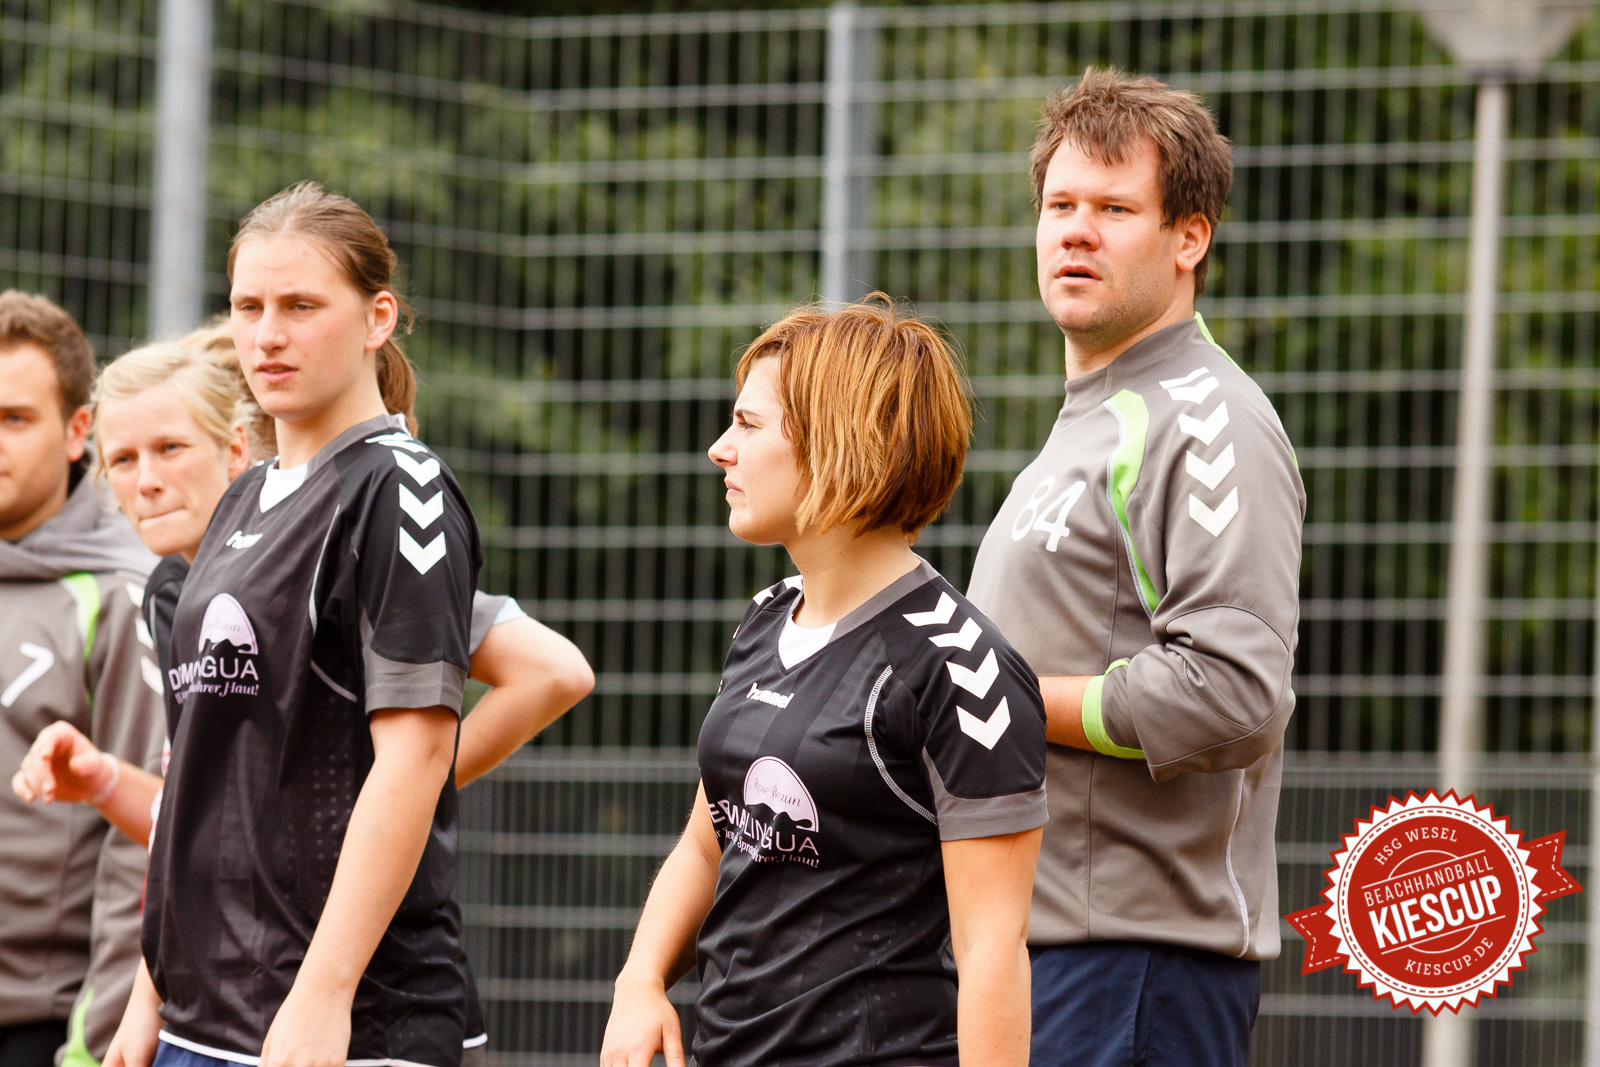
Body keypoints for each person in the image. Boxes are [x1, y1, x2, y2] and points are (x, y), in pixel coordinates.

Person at [95, 180, 483, 1067]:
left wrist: (324, 991)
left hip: (341, 1024)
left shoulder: (398, 487)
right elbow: (199, 771)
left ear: (377, 318)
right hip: (199, 1019)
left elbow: (418, 754)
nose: (267, 334)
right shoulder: (238, 499)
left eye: (301, 305)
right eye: (248, 306)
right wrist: (150, 991)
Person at [601, 298, 1048, 1067]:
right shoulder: (764, 618)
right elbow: (708, 845)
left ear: (839, 442)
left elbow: (991, 950)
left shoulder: (961, 664)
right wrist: (639, 980)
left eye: (747, 424)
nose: (718, 449)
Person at [964, 69, 1306, 1067]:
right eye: (1060, 206)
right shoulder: (1086, 423)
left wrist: (1005, 699)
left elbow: (1235, 692)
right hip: (1042, 950)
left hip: (1138, 963)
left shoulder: (1209, 420)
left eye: (1114, 208)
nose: (1076, 230)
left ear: (1187, 237)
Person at [13, 324, 594, 849]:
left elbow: (554, 670)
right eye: (123, 459)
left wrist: (386, 799)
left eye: (173, 446)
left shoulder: (338, 548)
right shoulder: (173, 588)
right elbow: (210, 826)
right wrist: (106, 781)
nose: (149, 481)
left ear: (238, 447)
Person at [0, 291, 166, 1067]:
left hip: (43, 1021)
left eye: (14, 419)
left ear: (76, 433)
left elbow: (143, 839)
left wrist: (91, 1045)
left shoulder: (124, 588)